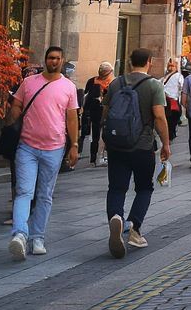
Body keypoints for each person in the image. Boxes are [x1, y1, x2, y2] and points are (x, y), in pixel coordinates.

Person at [6, 45, 79, 261]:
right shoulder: (29, 82)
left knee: (45, 195)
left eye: (57, 58)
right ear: (45, 59)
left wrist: (74, 145)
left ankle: (37, 237)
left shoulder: (68, 87)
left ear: (62, 60)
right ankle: (19, 234)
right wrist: (12, 117)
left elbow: (72, 118)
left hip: (54, 148)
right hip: (27, 146)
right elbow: (17, 105)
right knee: (24, 192)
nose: (53, 61)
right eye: (50, 58)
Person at [103, 48, 171, 257]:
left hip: (117, 146)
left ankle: (116, 217)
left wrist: (105, 141)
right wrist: (166, 144)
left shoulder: (116, 83)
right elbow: (159, 117)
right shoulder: (153, 85)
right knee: (144, 188)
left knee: (116, 188)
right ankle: (134, 226)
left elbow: (106, 114)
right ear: (150, 62)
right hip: (142, 146)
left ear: (130, 61)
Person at [79, 62, 113, 167]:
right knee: (97, 135)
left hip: (98, 111)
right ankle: (96, 157)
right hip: (97, 112)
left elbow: (86, 96)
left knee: (98, 135)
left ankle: (97, 157)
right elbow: (86, 97)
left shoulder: (95, 81)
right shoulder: (112, 82)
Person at [162, 58, 184, 141]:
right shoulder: (164, 76)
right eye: (169, 66)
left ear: (176, 67)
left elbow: (182, 88)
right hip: (165, 101)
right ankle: (170, 135)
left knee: (171, 120)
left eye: (172, 66)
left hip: (173, 102)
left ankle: (170, 135)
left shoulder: (179, 76)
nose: (170, 68)